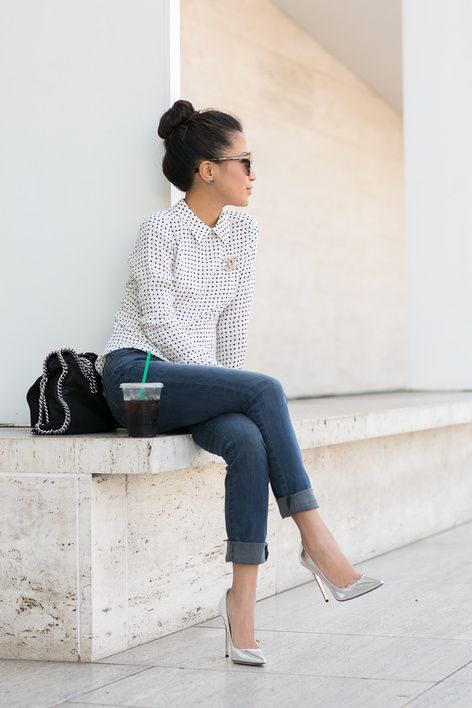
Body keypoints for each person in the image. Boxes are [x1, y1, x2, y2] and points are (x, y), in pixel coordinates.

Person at [95, 99, 383, 667]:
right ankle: (318, 541)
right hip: (138, 376)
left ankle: (242, 607)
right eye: (244, 161)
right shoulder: (159, 231)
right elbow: (157, 318)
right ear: (208, 169)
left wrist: (222, 385)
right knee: (264, 390)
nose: (253, 174)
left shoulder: (244, 234)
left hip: (195, 380)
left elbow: (234, 327)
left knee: (249, 439)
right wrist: (224, 384)